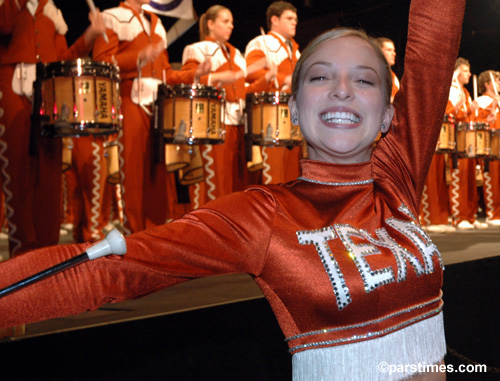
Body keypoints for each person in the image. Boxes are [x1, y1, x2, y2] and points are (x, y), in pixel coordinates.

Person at [0, 0, 465, 379]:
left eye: (364, 80)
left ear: (388, 115)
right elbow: (114, 270)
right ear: (295, 111)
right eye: (320, 77)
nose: (342, 89)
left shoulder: (397, 177)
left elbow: (434, 46)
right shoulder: (263, 215)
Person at [92, 0, 210, 235]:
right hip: (129, 100)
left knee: (157, 172)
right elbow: (102, 62)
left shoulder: (156, 23)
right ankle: (134, 234)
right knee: (133, 171)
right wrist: (138, 57)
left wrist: (192, 74)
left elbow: (165, 72)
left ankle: (154, 234)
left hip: (157, 104)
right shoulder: (113, 17)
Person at [0, 0, 105, 256]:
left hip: (48, 91)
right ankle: (22, 251)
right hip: (11, 89)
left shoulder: (52, 10)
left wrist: (89, 36)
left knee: (49, 171)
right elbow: (4, 26)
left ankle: (47, 249)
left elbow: (62, 59)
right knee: (17, 170)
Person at [181, 5, 276, 207]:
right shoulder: (197, 49)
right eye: (225, 21)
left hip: (238, 123)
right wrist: (215, 77)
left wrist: (266, 78)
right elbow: (187, 84)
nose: (231, 26)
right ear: (210, 24)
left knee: (237, 181)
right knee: (215, 180)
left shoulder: (237, 56)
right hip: (213, 124)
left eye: (232, 22)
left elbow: (243, 92)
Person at [245, 1, 302, 185]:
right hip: (269, 116)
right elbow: (250, 70)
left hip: (293, 117)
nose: (295, 22)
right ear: (275, 20)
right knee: (273, 173)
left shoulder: (296, 50)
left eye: (296, 19)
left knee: (292, 173)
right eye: (289, 18)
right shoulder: (261, 42)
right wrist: (284, 78)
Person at [445, 58, 488, 230]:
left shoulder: (466, 92)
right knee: (459, 179)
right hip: (456, 140)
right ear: (456, 72)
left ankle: (470, 215)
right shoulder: (452, 90)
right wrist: (461, 107)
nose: (469, 74)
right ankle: (459, 216)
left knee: (470, 179)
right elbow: (447, 113)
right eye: (465, 70)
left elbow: (468, 117)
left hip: (467, 140)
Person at [474, 70, 500, 226]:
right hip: (489, 145)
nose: (499, 83)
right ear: (487, 84)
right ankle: (493, 213)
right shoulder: (483, 101)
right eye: (497, 81)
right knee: (492, 179)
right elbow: (478, 121)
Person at [376, 37, 400, 103]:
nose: (394, 54)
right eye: (389, 50)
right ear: (379, 52)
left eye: (394, 50)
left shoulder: (393, 76)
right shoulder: (373, 73)